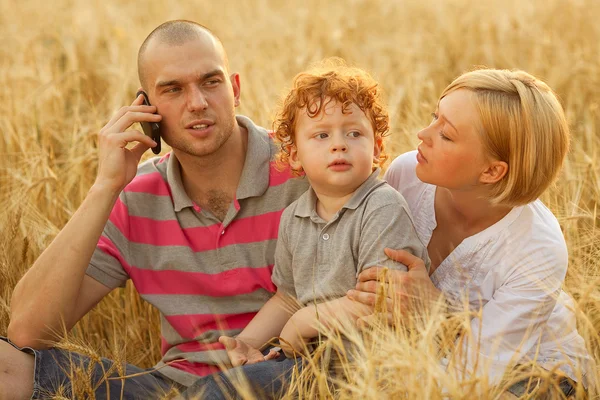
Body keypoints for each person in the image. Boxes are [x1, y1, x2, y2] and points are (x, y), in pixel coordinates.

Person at [0, 20, 309, 399]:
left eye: (211, 82)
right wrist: (106, 187)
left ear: (236, 89)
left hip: (282, 374)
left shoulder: (304, 168)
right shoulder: (135, 195)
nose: (197, 102)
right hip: (171, 389)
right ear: (146, 107)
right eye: (173, 89)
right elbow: (27, 332)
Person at [181, 59, 430, 400]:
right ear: (295, 155)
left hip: (361, 367)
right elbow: (288, 297)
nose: (339, 144)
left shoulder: (381, 207)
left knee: (220, 393)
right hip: (305, 361)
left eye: (354, 133)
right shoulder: (294, 217)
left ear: (377, 150)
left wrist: (304, 322)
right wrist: (248, 342)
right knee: (222, 387)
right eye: (322, 135)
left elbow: (385, 301)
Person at [347, 68, 596, 397]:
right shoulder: (407, 174)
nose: (423, 133)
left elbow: (474, 375)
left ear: (492, 170)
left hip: (527, 374)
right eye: (434, 117)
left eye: (446, 134)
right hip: (416, 354)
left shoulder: (538, 247)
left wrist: (435, 313)